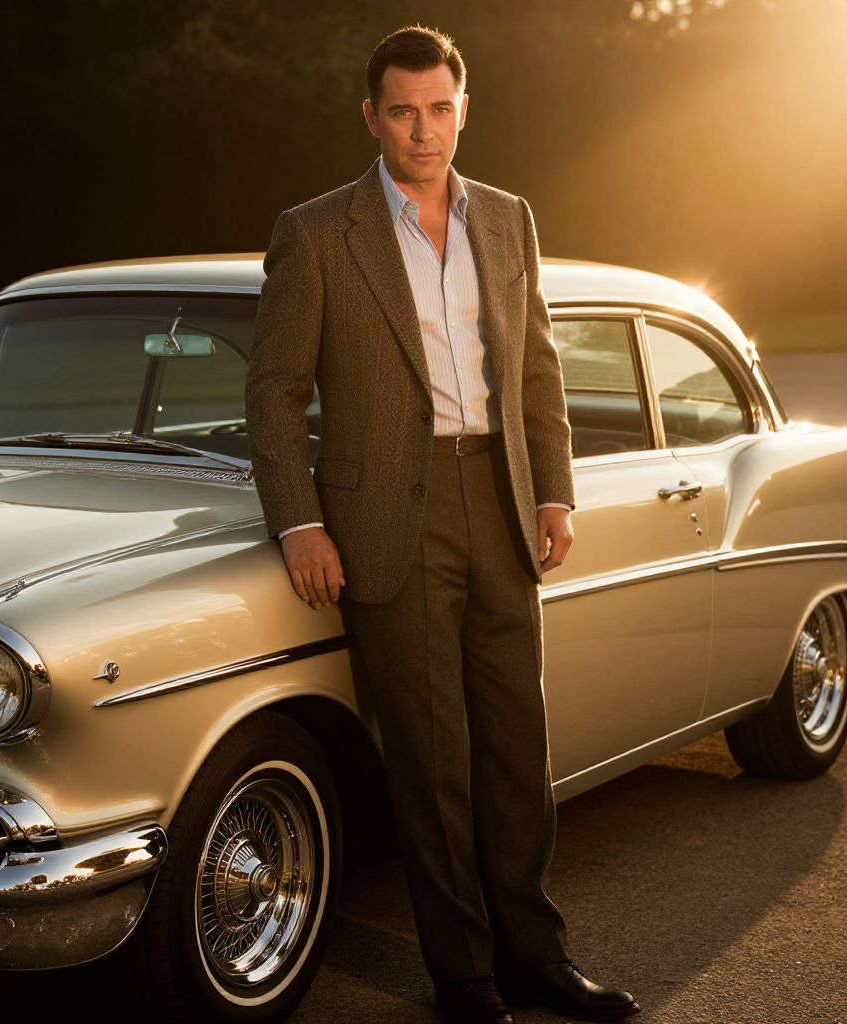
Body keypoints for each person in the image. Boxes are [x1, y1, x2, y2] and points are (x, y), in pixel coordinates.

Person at [244, 24, 639, 1024]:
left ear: (464, 107)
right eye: (404, 111)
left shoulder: (508, 219)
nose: (424, 130)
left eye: (440, 107)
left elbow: (536, 365)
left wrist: (553, 489)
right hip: (386, 520)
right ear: (372, 116)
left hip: (499, 504)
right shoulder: (316, 230)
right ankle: (462, 975)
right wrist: (298, 522)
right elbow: (275, 391)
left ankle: (534, 956)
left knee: (516, 746)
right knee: (429, 759)